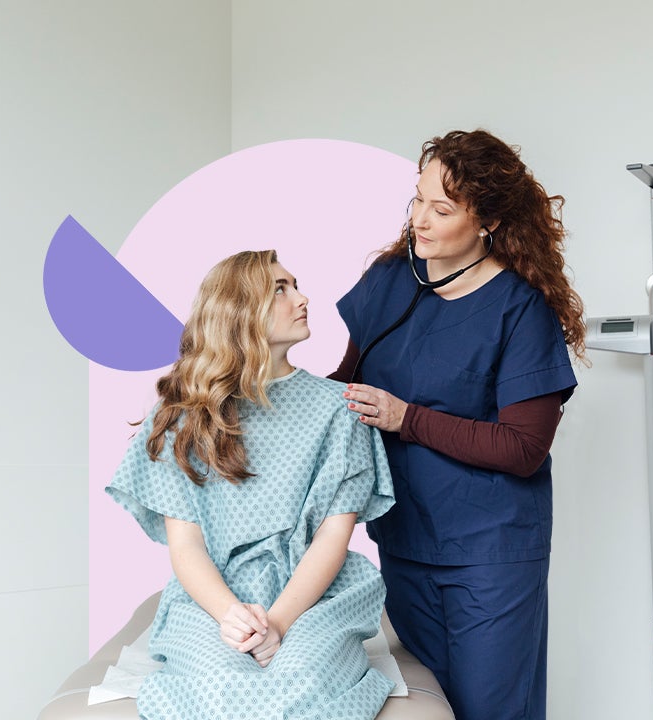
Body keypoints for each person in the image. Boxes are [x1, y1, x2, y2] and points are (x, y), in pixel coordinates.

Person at [331, 129, 586, 720]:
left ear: (488, 221)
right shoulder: (391, 280)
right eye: (417, 199)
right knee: (430, 710)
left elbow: (524, 447)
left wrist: (406, 418)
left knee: (490, 710)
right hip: (404, 541)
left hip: (489, 552)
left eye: (441, 209)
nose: (419, 219)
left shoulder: (520, 308)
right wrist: (235, 394)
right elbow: (345, 387)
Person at [107, 250, 397, 719]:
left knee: (302, 686)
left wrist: (278, 623)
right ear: (238, 310)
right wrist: (231, 616)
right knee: (220, 689)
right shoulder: (183, 416)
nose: (302, 298)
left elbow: (332, 536)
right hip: (213, 597)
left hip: (314, 597)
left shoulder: (339, 410)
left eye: (296, 284)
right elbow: (187, 547)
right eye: (280, 288)